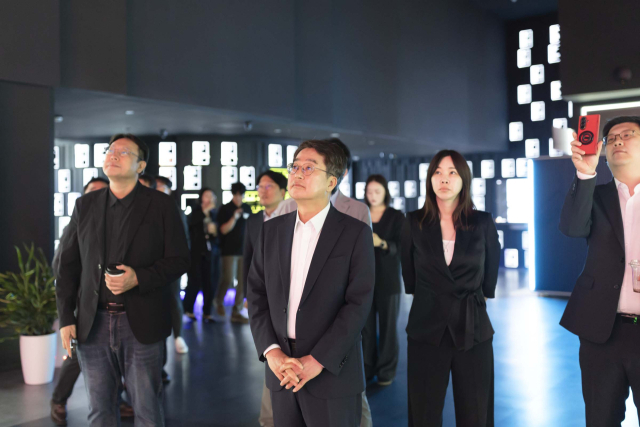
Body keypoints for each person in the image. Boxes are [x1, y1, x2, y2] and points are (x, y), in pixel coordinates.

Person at [55, 133, 190, 426]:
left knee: (147, 411)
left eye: (124, 152)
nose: (113, 155)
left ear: (141, 166)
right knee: (99, 411)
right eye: (110, 150)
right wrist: (66, 318)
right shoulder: (85, 205)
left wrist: (139, 278)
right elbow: (67, 266)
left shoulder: (162, 205)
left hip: (141, 322)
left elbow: (180, 259)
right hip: (93, 324)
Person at [247, 139, 375, 427]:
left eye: (308, 168)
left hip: (331, 372)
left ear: (331, 182)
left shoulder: (354, 233)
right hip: (282, 369)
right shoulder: (271, 231)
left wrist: (318, 359)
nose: (297, 174)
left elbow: (358, 303)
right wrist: (271, 351)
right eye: (294, 167)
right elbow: (256, 294)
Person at [401, 150, 500, 427]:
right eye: (438, 172)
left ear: (464, 179)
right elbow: (410, 277)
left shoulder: (482, 222)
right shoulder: (413, 222)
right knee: (424, 413)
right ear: (430, 179)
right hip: (426, 328)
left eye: (452, 172)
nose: (444, 179)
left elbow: (490, 276)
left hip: (473, 328)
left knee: (476, 413)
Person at [559, 116, 640, 426]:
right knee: (600, 419)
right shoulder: (594, 195)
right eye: (611, 138)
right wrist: (585, 172)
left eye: (628, 134)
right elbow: (571, 228)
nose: (618, 140)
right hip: (602, 332)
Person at [51, 176, 136, 425]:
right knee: (76, 358)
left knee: (112, 360)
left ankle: (115, 400)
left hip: (116, 309)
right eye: (92, 191)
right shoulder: (80, 219)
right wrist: (69, 311)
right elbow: (62, 264)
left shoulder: (117, 223)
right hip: (85, 306)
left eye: (102, 191)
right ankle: (58, 399)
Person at [243, 170, 288, 427]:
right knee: (270, 350)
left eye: (269, 186)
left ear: (282, 191)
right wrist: (246, 294)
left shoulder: (294, 215)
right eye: (260, 186)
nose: (263, 190)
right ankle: (270, 418)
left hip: (288, 296)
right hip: (263, 294)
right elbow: (247, 258)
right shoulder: (253, 220)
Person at [362, 174, 404, 386]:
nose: (373, 195)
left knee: (388, 329)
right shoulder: (361, 214)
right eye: (369, 191)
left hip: (388, 280)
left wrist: (382, 243)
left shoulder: (396, 216)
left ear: (385, 192)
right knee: (366, 329)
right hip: (364, 280)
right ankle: (367, 368)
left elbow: (403, 246)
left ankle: (386, 371)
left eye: (377, 191)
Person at [155, 175, 190, 353]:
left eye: (162, 187)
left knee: (174, 298)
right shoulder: (146, 208)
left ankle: (178, 336)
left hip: (170, 263)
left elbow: (184, 239)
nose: (158, 190)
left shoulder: (175, 209)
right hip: (150, 265)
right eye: (156, 187)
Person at [215, 182, 251, 323]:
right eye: (236, 194)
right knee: (228, 278)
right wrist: (234, 217)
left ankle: (237, 311)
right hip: (229, 250)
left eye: (240, 195)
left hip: (244, 250)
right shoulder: (225, 209)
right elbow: (223, 230)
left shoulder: (247, 208)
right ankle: (218, 301)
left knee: (242, 282)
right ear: (232, 194)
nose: (238, 197)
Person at [183, 187, 220, 323]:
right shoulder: (195, 211)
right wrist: (205, 212)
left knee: (210, 283)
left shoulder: (215, 214)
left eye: (211, 196)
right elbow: (191, 224)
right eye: (206, 196)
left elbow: (218, 235)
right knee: (194, 281)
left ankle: (207, 312)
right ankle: (188, 309)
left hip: (211, 252)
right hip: (196, 252)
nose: (209, 199)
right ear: (201, 198)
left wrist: (214, 232)